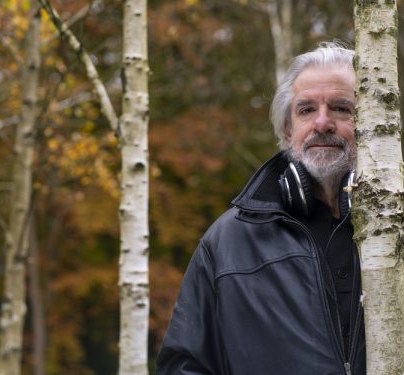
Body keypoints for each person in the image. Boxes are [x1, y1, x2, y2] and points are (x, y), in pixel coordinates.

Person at [156, 42, 365, 375]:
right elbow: (185, 367)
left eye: (342, 108)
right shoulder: (227, 243)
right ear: (287, 129)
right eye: (306, 110)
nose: (322, 123)